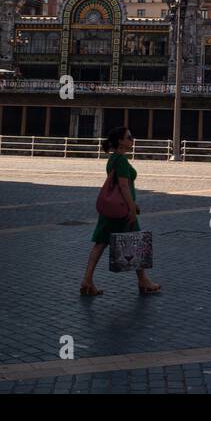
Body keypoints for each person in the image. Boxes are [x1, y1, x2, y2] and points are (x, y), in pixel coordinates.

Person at [79, 127, 161, 297]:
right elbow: (123, 186)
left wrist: (133, 204)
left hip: (111, 209)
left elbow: (120, 186)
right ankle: (143, 281)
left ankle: (87, 281)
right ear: (121, 141)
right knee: (136, 243)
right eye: (129, 137)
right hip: (122, 211)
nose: (132, 139)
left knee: (100, 242)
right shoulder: (122, 161)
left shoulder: (113, 159)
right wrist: (132, 208)